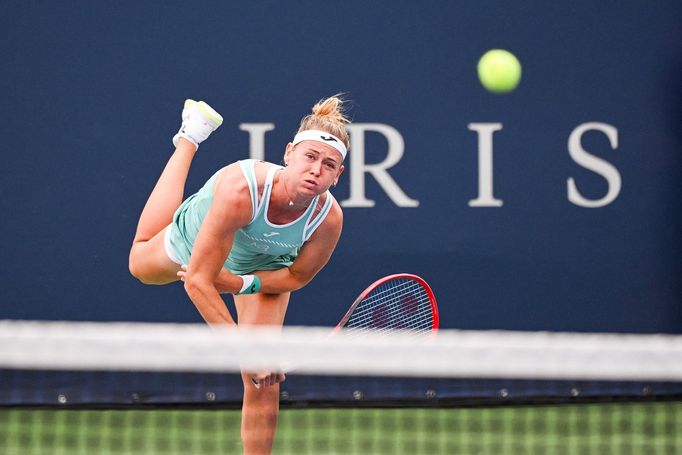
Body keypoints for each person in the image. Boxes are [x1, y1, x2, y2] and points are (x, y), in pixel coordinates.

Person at [128, 96, 349, 454]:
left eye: (328, 164)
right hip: (198, 242)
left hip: (262, 267)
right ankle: (189, 138)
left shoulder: (328, 219)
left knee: (263, 382)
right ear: (289, 153)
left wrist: (245, 283)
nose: (316, 170)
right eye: (309, 157)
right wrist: (244, 352)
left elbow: (296, 276)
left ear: (338, 176)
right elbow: (198, 280)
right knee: (140, 263)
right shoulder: (241, 191)